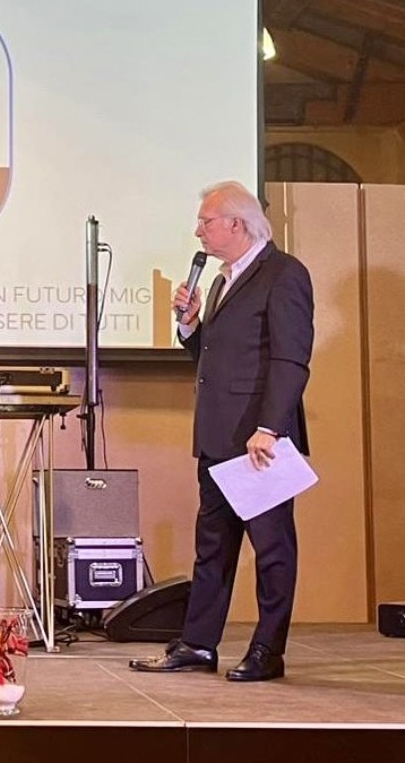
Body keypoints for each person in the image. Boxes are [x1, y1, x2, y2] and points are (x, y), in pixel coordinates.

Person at [129, 181, 314, 682]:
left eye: (205, 222)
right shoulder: (220, 282)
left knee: (272, 549)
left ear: (236, 223)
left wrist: (269, 427)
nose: (198, 231)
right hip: (216, 437)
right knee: (212, 547)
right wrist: (192, 327)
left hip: (259, 441)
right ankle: (197, 643)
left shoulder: (283, 274)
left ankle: (268, 650)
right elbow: (214, 358)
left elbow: (290, 360)